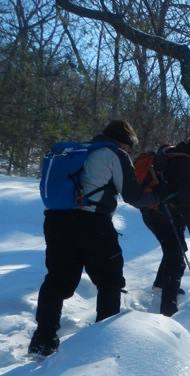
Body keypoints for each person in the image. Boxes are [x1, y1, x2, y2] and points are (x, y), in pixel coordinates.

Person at [29, 120, 157, 356]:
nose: (130, 151)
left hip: (57, 221)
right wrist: (154, 200)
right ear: (125, 142)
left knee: (57, 281)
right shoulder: (115, 154)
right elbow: (132, 195)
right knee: (110, 280)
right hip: (93, 224)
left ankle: (42, 340)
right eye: (131, 147)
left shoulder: (78, 151)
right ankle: (103, 344)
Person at [140, 133, 190, 316]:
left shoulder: (173, 155)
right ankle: (168, 308)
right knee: (177, 261)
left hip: (151, 210)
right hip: (163, 214)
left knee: (176, 248)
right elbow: (189, 205)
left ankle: (161, 286)